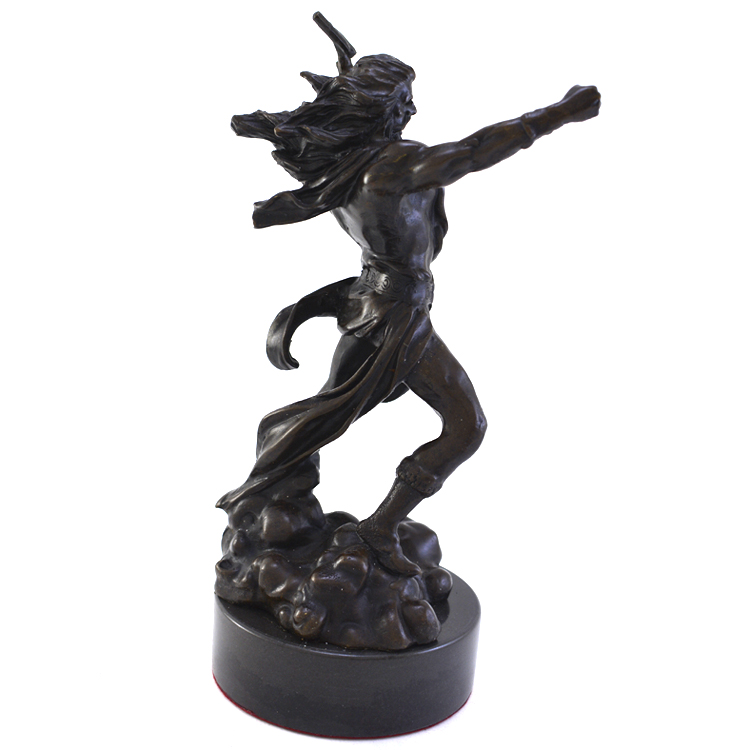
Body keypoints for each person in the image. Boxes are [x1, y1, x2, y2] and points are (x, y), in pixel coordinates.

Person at [221, 14, 601, 575]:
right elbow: (471, 153)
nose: (412, 110)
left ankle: (279, 485)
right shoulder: (388, 169)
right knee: (464, 426)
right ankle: (373, 528)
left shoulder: (347, 169)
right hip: (394, 315)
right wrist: (558, 114)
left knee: (331, 408)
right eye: (403, 101)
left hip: (375, 305)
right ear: (380, 110)